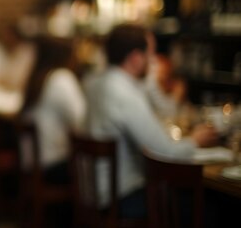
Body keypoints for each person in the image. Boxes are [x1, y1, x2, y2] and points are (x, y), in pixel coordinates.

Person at [82, 23, 218, 217]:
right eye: (150, 54)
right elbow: (164, 153)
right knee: (211, 204)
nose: (153, 61)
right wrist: (196, 140)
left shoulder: (96, 82)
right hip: (121, 199)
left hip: (94, 194)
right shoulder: (124, 93)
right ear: (136, 59)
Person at [19, 36, 85, 184]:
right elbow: (81, 121)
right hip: (51, 166)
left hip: (31, 163)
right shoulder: (61, 78)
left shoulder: (37, 77)